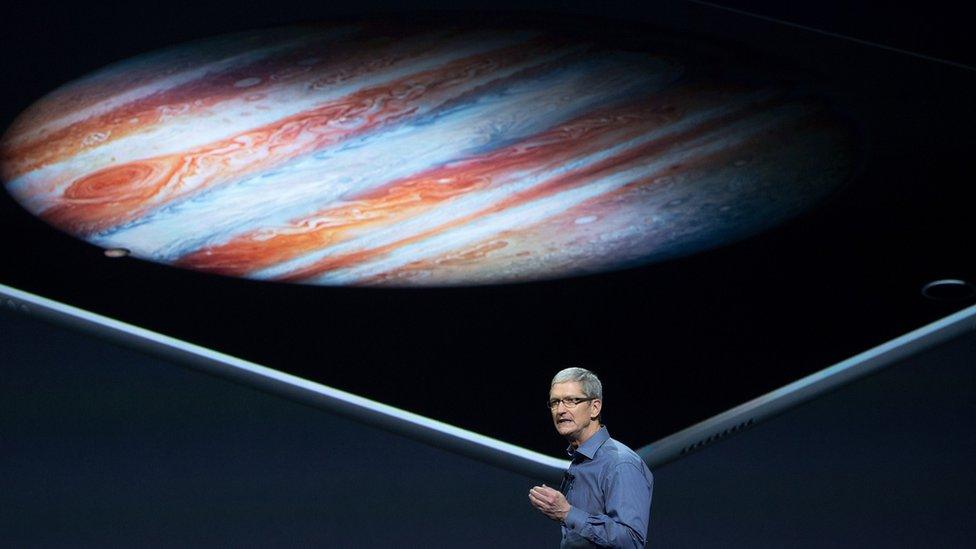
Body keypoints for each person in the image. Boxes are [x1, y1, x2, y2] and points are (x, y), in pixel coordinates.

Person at [528, 367, 653, 548]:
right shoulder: (580, 461)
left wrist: (567, 513)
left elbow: (631, 541)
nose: (560, 410)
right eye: (555, 402)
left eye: (571, 400)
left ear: (595, 407)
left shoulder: (620, 463)